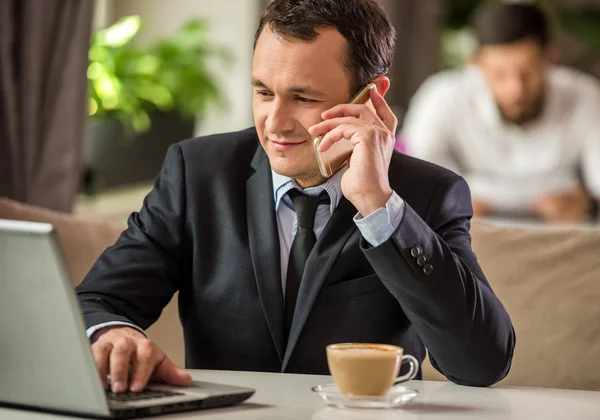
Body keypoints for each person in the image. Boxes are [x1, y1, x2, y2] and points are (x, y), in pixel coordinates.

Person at [76, 0, 515, 394]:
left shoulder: (429, 193)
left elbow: (482, 364)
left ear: (370, 96)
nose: (276, 123)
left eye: (303, 97)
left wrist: (379, 206)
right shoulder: (197, 173)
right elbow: (96, 301)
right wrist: (113, 333)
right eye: (264, 92)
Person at [402, 2, 600, 223]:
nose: (516, 89)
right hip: (467, 239)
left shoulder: (585, 96)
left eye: (527, 72)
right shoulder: (442, 96)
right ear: (476, 64)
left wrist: (589, 203)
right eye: (500, 74)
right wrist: (447, 204)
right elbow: (416, 179)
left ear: (550, 56)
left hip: (560, 237)